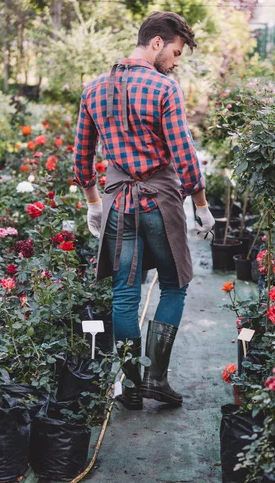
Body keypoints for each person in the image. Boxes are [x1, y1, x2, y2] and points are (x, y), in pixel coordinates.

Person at [73, 11, 215, 411]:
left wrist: (94, 204)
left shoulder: (93, 89)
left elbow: (82, 160)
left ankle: (131, 386)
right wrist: (201, 205)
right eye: (175, 51)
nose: (175, 60)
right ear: (156, 43)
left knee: (124, 293)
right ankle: (156, 378)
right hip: (158, 202)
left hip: (118, 203)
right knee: (174, 285)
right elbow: (184, 154)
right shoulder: (163, 88)